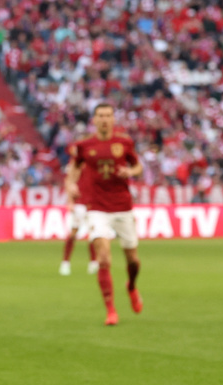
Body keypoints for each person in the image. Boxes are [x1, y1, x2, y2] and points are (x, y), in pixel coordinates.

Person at [67, 104, 144, 325]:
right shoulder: (84, 146)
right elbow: (75, 167)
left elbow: (138, 166)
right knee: (103, 258)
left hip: (122, 206)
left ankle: (131, 285)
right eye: (100, 116)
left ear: (113, 119)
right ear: (94, 120)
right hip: (97, 207)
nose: (104, 119)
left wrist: (129, 172)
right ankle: (111, 310)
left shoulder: (124, 143)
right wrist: (71, 185)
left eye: (108, 116)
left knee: (133, 260)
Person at [58, 153, 97, 276]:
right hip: (79, 202)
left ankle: (93, 263)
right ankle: (65, 263)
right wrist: (70, 200)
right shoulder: (77, 163)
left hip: (92, 202)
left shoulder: (94, 163)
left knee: (94, 234)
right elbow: (69, 181)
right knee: (74, 232)